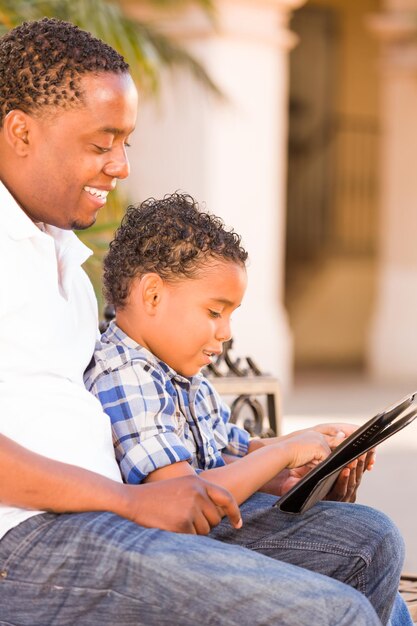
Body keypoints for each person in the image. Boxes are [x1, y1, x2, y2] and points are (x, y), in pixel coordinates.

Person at [0, 17, 411, 626]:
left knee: (366, 543)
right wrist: (129, 499)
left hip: (106, 518)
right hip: (28, 544)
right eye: (100, 143)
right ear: (19, 131)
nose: (120, 167)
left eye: (126, 143)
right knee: (331, 613)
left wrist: (285, 464)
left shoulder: (60, 259)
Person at [85, 192, 364, 505]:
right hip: (180, 534)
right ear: (152, 296)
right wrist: (284, 453)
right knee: (370, 534)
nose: (226, 332)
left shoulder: (183, 377)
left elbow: (234, 452)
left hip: (213, 513)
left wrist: (310, 445)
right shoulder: (126, 376)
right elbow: (180, 494)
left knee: (361, 527)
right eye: (214, 312)